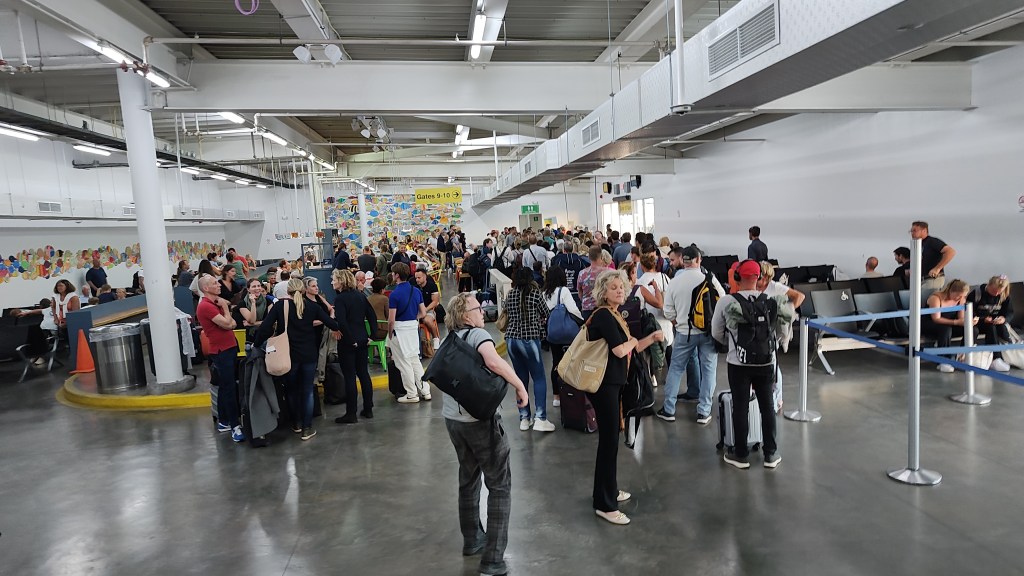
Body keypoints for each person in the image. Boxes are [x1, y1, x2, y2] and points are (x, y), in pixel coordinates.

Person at [440, 293, 528, 576]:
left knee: (468, 479)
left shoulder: (451, 338)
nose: (482, 312)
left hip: (453, 420)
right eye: (478, 308)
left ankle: (472, 540)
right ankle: (493, 560)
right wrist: (519, 386)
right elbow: (493, 362)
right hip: (479, 421)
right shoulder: (478, 334)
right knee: (499, 484)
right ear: (466, 315)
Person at [587, 269, 663, 525]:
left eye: (621, 287)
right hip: (604, 387)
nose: (620, 290)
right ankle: (605, 505)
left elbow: (633, 347)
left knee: (610, 443)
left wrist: (651, 337)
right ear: (603, 292)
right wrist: (631, 342)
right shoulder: (604, 316)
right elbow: (621, 350)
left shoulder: (615, 315)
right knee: (608, 444)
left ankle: (607, 490)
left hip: (613, 385)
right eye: (614, 287)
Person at [711, 260, 781, 470]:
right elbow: (775, 331)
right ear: (759, 278)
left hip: (738, 363)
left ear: (737, 277)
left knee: (740, 407)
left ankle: (741, 455)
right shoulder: (770, 301)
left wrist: (732, 344)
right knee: (767, 407)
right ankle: (770, 454)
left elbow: (716, 332)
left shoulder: (726, 301)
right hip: (766, 362)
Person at [253, 278, 340, 440]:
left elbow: (265, 327)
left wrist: (256, 344)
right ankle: (307, 428)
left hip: (288, 355)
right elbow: (333, 325)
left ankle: (297, 423)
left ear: (288, 291)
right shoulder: (312, 307)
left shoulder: (281, 306)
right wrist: (331, 313)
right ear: (304, 290)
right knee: (307, 391)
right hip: (309, 355)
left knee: (291, 390)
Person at [660, 245, 725, 425]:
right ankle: (704, 411)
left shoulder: (674, 282)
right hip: (708, 333)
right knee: (709, 370)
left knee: (676, 369)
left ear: (683, 260)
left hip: (684, 333)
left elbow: (668, 311)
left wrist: (679, 323)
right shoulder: (709, 278)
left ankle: (669, 409)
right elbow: (723, 300)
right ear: (698, 259)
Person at [504, 268, 554, 432]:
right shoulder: (535, 293)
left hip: (511, 339)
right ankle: (540, 418)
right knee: (538, 378)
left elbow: (507, 313)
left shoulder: (511, 294)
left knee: (520, 380)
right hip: (530, 339)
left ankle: (524, 418)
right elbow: (546, 312)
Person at [195, 275, 243, 442]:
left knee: (225, 386)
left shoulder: (214, 304)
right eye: (215, 283)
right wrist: (225, 308)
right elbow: (228, 324)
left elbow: (233, 324)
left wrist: (226, 316)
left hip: (229, 347)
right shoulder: (206, 307)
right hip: (221, 351)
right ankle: (235, 425)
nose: (219, 285)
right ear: (206, 288)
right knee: (229, 388)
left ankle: (224, 421)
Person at [756, 261, 806, 413]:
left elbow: (799, 296)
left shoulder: (775, 287)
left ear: (765, 277)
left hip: (772, 331)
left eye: (758, 275)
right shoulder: (753, 286)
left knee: (772, 365)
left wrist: (787, 311)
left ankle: (777, 399)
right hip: (758, 331)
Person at [332, 269, 378, 422]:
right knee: (364, 374)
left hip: (348, 342)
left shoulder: (340, 299)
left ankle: (351, 413)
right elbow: (371, 315)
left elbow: (342, 322)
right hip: (363, 338)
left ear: (341, 281)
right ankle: (368, 408)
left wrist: (351, 340)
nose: (332, 282)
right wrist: (372, 336)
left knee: (350, 377)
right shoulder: (360, 295)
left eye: (334, 279)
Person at [388, 262, 430, 403]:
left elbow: (391, 320)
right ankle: (425, 390)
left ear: (397, 275)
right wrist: (412, 318)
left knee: (403, 363)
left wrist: (389, 334)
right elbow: (423, 312)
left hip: (399, 331)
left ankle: (412, 394)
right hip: (413, 329)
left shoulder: (394, 295)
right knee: (415, 361)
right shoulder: (416, 291)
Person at [543, 266, 582, 409]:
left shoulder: (544, 293)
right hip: (568, 334)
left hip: (553, 333)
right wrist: (582, 322)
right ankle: (572, 392)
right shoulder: (563, 291)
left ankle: (556, 396)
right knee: (572, 361)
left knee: (556, 362)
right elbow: (573, 310)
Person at [922, 279, 977, 373]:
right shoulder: (936, 298)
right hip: (930, 324)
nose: (960, 298)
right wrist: (956, 322)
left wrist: (968, 322)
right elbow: (936, 319)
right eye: (958, 296)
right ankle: (943, 360)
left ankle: (962, 356)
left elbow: (961, 318)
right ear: (951, 291)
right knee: (945, 329)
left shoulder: (961, 300)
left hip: (949, 324)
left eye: (963, 296)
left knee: (973, 329)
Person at [969, 275, 1015, 372]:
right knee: (991, 327)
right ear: (989, 285)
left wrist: (1003, 319)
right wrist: (982, 319)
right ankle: (995, 358)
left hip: (995, 322)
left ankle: (1000, 357)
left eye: (999, 292)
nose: (996, 293)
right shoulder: (977, 294)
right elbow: (969, 311)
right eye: (994, 291)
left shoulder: (1004, 295)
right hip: (978, 322)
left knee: (999, 328)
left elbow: (1009, 313)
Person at [910, 221, 956, 292]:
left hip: (932, 279)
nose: (912, 233)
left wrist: (937, 268)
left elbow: (950, 251)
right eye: (911, 231)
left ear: (924, 230)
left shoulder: (932, 241)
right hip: (921, 280)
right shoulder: (918, 245)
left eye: (915, 231)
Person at [551, 240, 587, 308]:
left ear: (563, 249)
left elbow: (554, 274)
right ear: (573, 249)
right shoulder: (579, 260)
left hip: (562, 292)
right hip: (576, 291)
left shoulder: (558, 260)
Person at [576, 245, 608, 321]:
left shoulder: (582, 273)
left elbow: (580, 292)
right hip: (603, 308)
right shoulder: (608, 273)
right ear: (601, 257)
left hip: (587, 309)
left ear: (589, 257)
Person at [414, 268, 443, 350]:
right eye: (416, 278)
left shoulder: (432, 286)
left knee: (427, 321)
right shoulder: (414, 288)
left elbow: (435, 301)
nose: (417, 280)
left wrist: (425, 310)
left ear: (425, 277)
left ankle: (435, 338)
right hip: (417, 311)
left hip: (429, 310)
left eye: (419, 278)